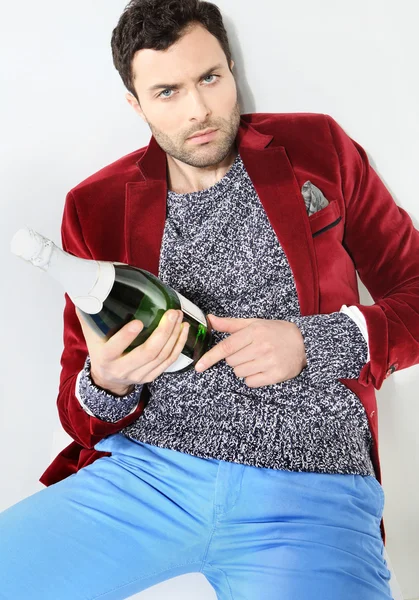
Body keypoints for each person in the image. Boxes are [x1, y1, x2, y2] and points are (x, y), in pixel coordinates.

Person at [2, 0, 418, 598]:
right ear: (136, 104)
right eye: (168, 92)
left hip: (309, 490)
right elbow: (79, 404)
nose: (199, 110)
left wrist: (314, 342)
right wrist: (108, 380)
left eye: (210, 79)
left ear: (231, 67)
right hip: (147, 479)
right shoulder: (94, 206)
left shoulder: (318, 149)